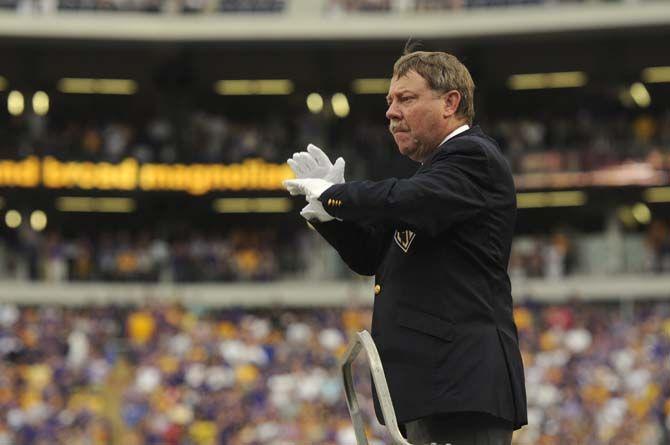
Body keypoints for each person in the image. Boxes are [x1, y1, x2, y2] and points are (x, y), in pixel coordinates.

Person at [283, 49, 527, 445]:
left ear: (451, 103)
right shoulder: (434, 176)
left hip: (460, 389)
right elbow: (371, 258)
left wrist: (337, 194)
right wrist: (329, 216)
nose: (391, 113)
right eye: (390, 102)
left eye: (406, 99)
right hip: (436, 391)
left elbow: (405, 199)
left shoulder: (473, 157)